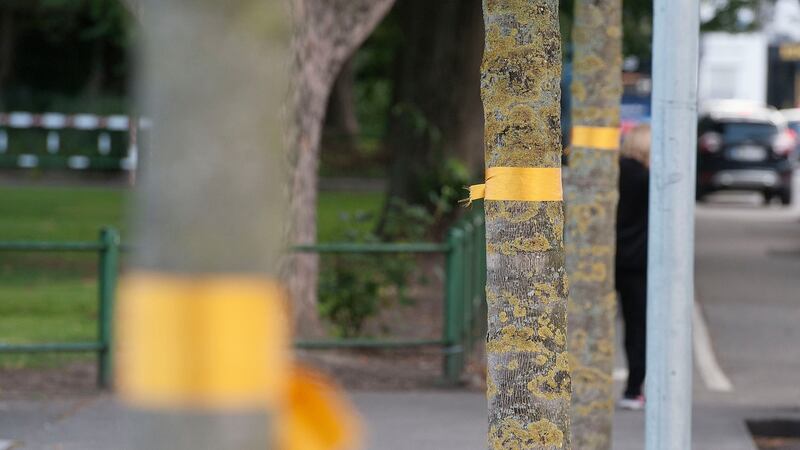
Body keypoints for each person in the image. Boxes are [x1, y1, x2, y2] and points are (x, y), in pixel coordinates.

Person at [615, 124, 651, 411]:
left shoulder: (613, 171)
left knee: (626, 324)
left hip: (612, 259)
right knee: (639, 327)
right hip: (640, 263)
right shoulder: (648, 179)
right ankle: (633, 388)